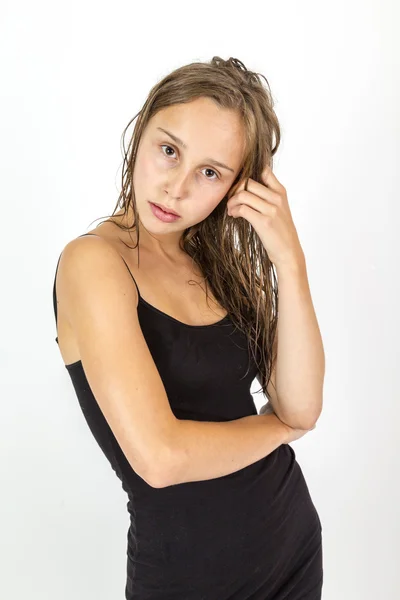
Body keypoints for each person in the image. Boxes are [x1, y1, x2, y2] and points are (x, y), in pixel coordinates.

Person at [52, 56, 323, 599]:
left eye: (209, 172)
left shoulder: (217, 266)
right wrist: (280, 429)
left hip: (290, 549)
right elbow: (160, 458)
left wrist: (289, 258)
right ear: (141, 131)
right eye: (169, 150)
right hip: (187, 580)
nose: (176, 188)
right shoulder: (94, 263)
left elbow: (304, 402)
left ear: (235, 187)